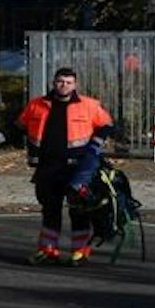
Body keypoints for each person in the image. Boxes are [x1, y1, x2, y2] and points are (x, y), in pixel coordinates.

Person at [17, 66, 114, 265]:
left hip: (77, 169)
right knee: (49, 210)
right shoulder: (37, 105)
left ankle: (80, 252)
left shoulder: (89, 105)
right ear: (53, 83)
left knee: (79, 211)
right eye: (60, 81)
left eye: (69, 82)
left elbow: (107, 125)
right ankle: (47, 251)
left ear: (75, 84)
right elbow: (18, 126)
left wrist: (95, 144)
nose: (64, 85)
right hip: (47, 168)